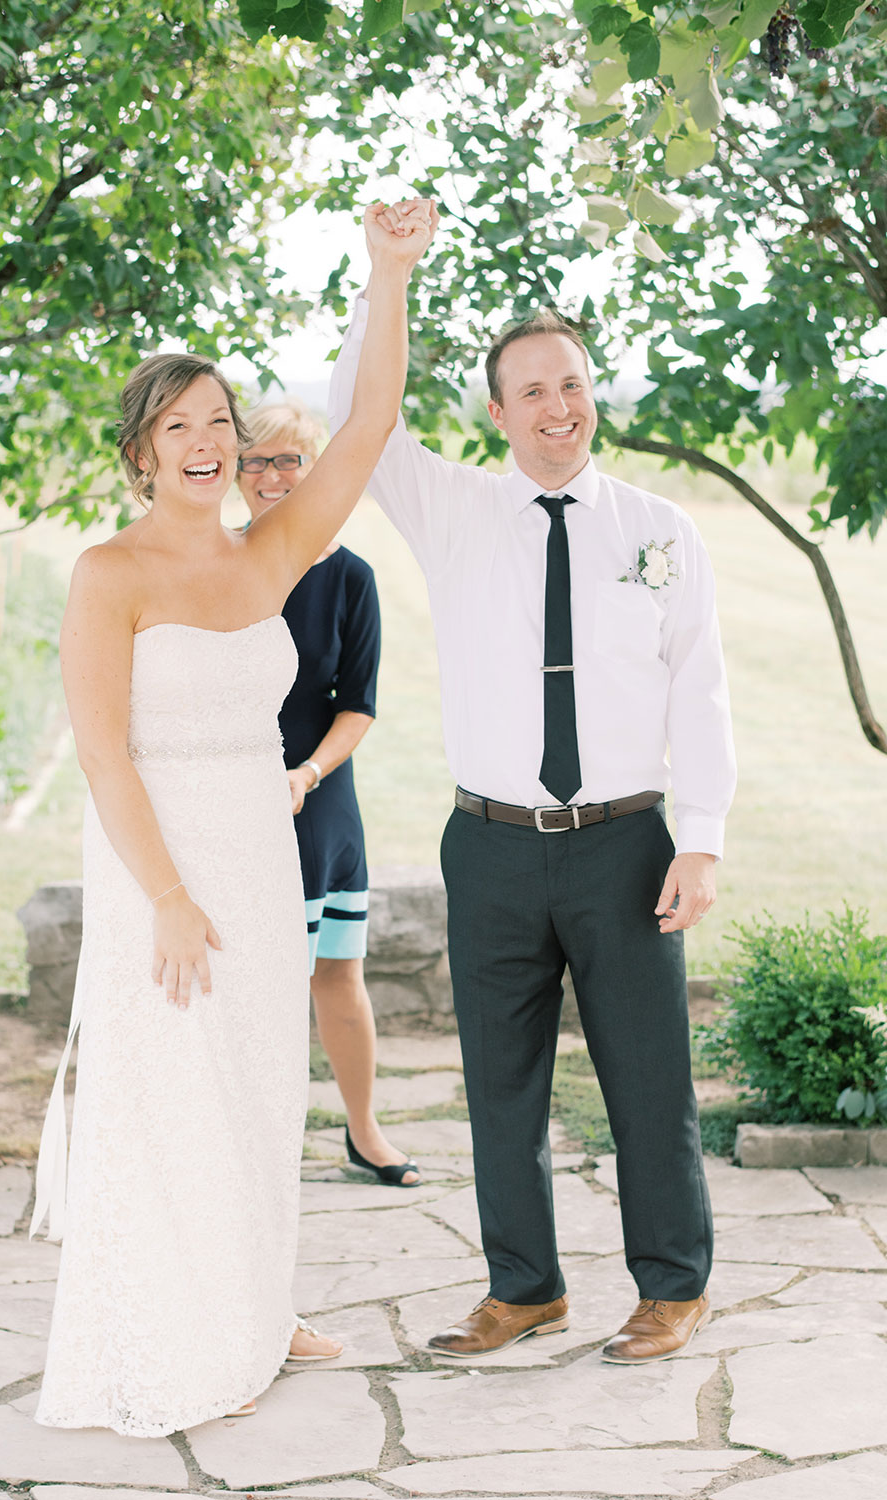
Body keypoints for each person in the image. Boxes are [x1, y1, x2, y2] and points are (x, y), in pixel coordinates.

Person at [28, 197, 438, 1438]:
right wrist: (166, 899)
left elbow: (368, 424)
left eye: (220, 420)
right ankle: (187, 1329)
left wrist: (386, 271)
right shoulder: (110, 576)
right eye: (180, 425)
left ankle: (259, 1306)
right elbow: (104, 755)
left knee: (260, 1093)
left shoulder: (270, 555)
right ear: (142, 452)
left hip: (261, 863)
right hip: (160, 870)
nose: (207, 440)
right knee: (167, 1104)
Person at [328, 213, 736, 1367]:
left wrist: (697, 840)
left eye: (573, 385)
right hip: (493, 844)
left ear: (589, 395)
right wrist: (387, 274)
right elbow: (362, 406)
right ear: (496, 414)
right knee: (498, 1083)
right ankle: (524, 1288)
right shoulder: (448, 508)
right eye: (532, 392)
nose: (558, 408)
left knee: (647, 1079)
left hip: (625, 843)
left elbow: (698, 689)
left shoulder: (661, 532)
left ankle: (672, 1285)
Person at [236, 402, 419, 1187]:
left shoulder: (350, 578)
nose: (274, 477)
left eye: (291, 462)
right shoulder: (219, 562)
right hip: (233, 801)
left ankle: (365, 1132)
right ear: (235, 475)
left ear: (315, 471)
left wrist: (306, 775)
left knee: (338, 973)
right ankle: (252, 1143)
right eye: (257, 462)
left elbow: (359, 703)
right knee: (254, 983)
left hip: (319, 800)